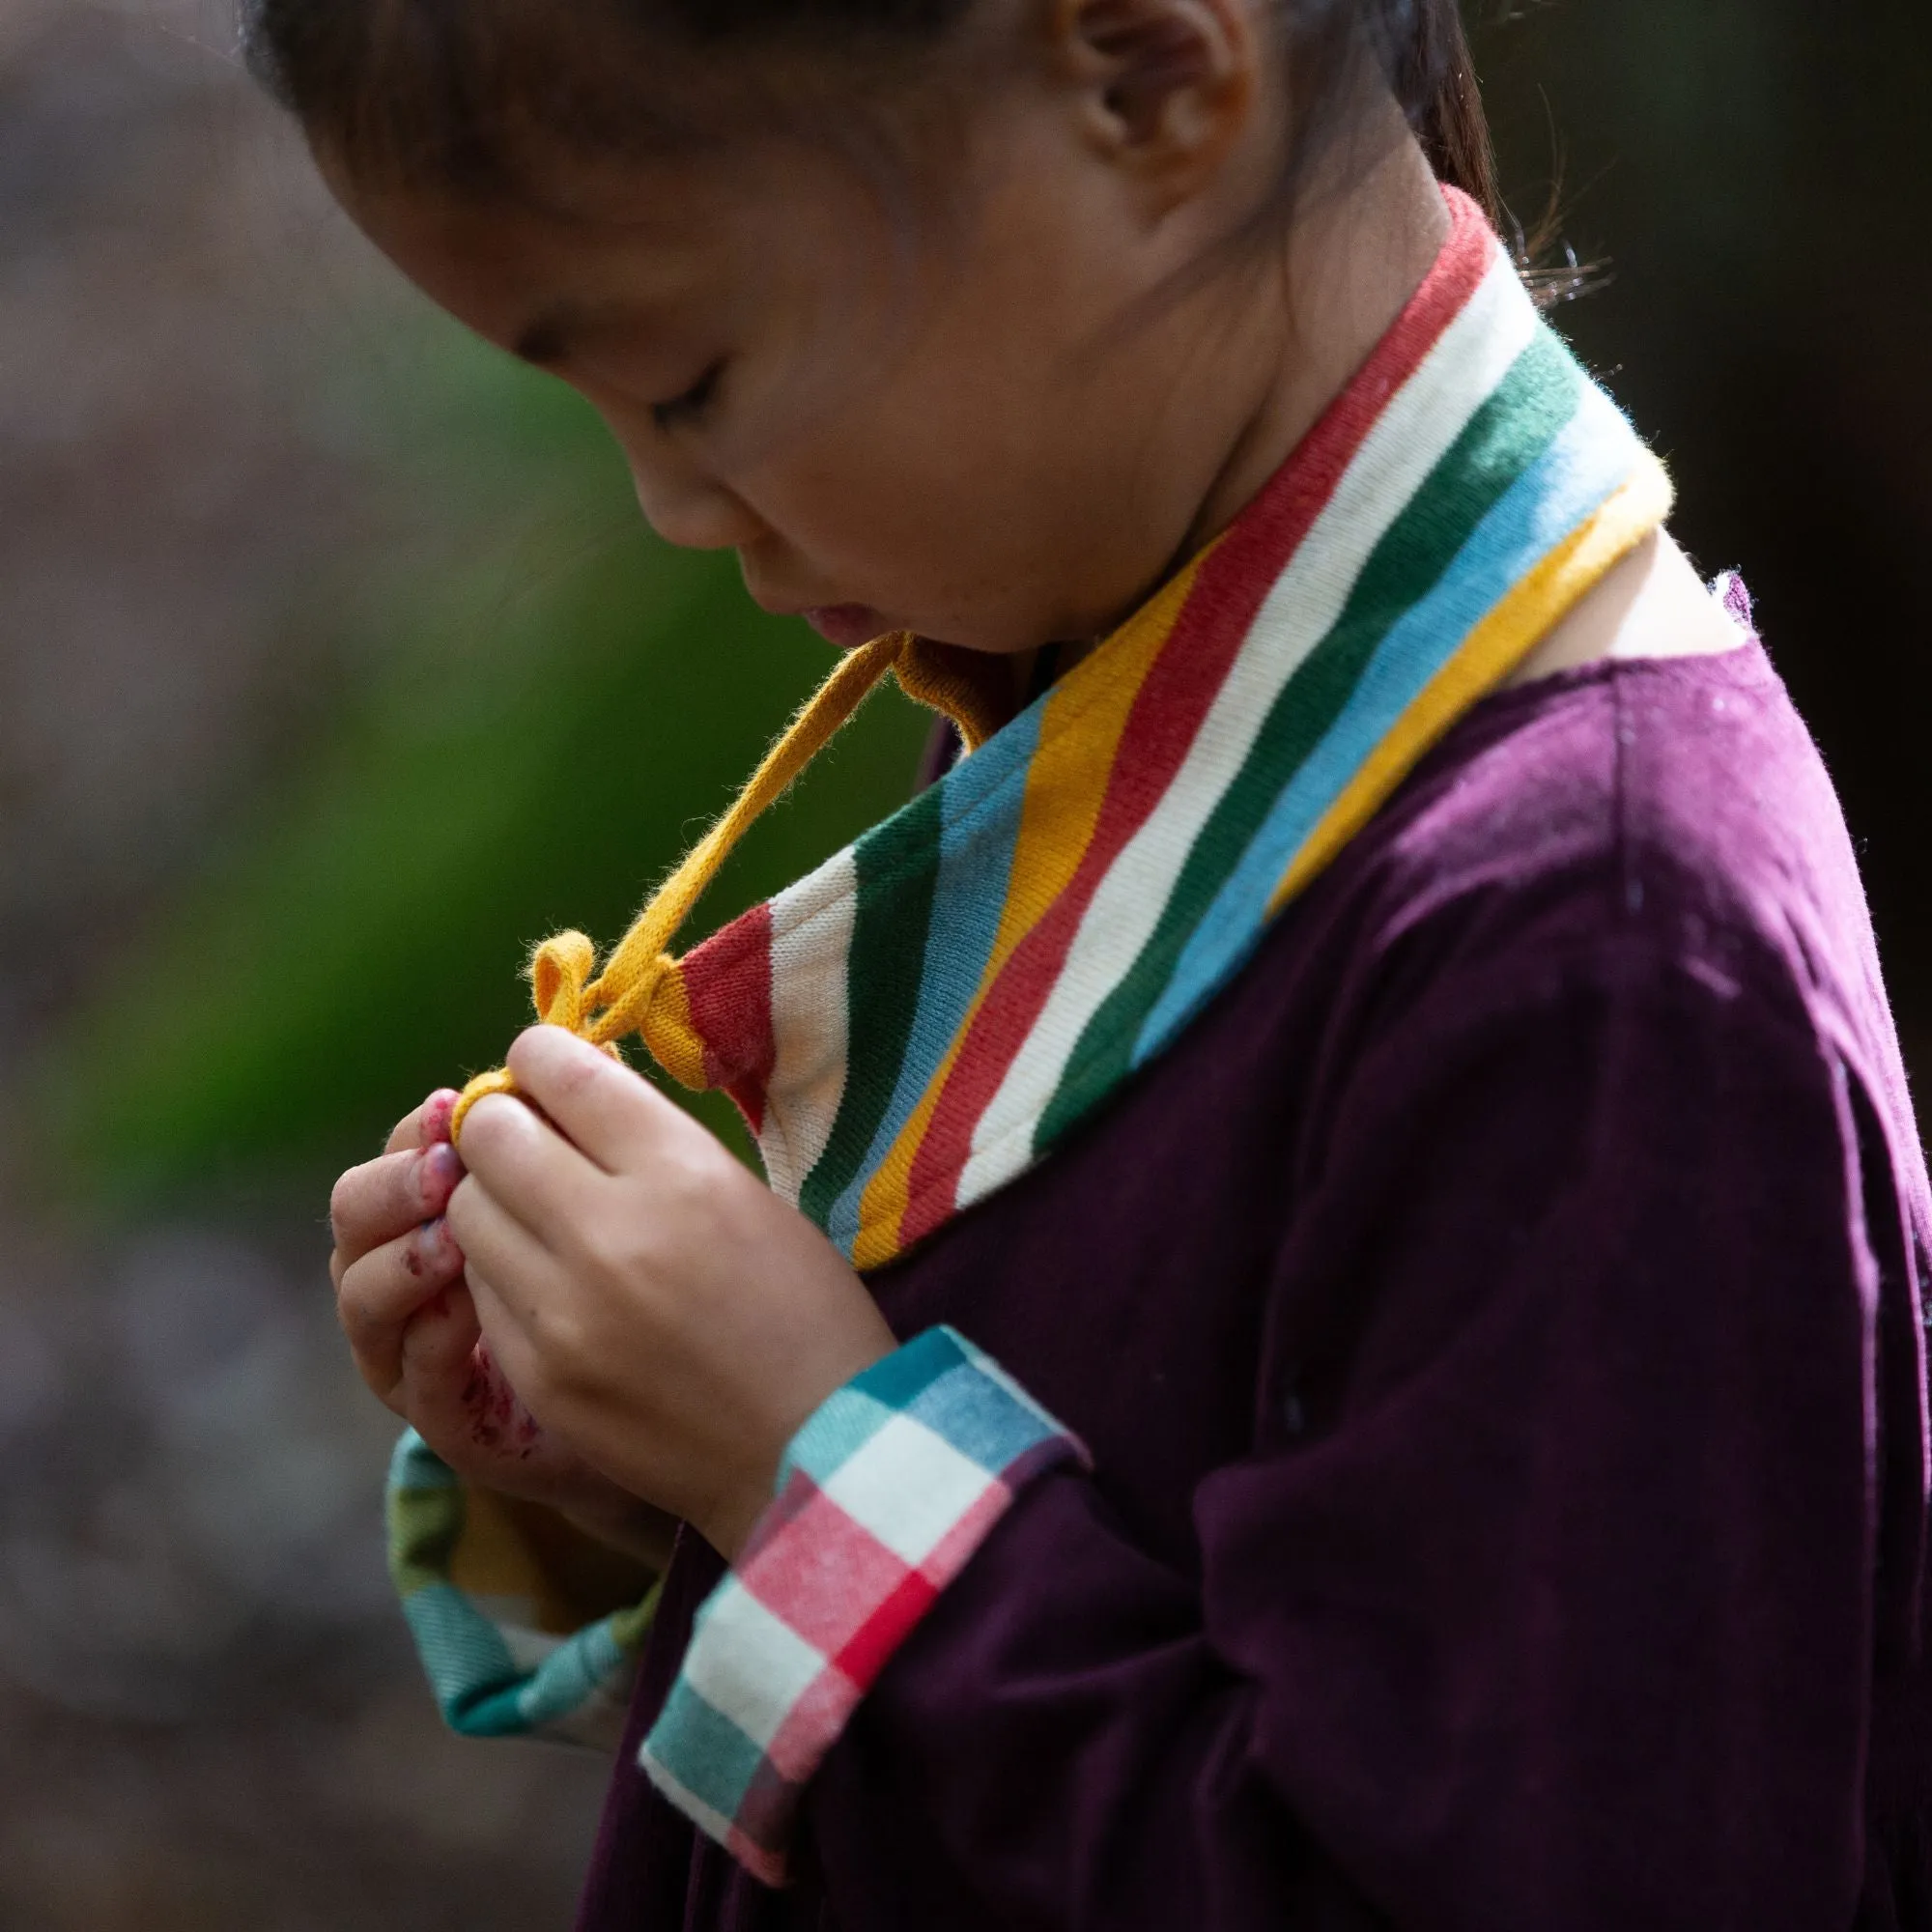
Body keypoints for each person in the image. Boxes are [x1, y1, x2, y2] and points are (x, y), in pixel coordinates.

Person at [270, 0, 1932, 1924]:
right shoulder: (1123, 678)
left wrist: (812, 1460)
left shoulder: (1606, 953)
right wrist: (674, 1452)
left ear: (1148, 70)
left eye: (695, 381)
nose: (671, 509)